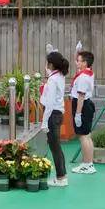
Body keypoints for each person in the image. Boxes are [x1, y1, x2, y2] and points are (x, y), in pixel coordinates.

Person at [40, 50, 69, 187]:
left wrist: (44, 122)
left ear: (50, 65)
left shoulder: (53, 79)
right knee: (56, 146)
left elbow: (50, 103)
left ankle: (61, 177)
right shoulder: (60, 75)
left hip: (52, 114)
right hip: (58, 113)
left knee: (55, 146)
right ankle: (62, 175)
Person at [71, 48, 96, 174]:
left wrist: (78, 114)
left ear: (85, 63)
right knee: (87, 136)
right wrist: (78, 51)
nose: (77, 63)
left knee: (83, 137)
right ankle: (89, 163)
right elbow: (79, 72)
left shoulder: (83, 78)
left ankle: (86, 164)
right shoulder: (88, 73)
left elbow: (80, 96)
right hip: (87, 104)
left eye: (79, 61)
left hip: (81, 105)